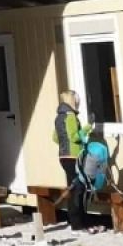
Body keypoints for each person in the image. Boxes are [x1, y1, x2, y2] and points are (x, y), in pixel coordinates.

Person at [53, 89, 89, 230]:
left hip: (63, 156)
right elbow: (74, 136)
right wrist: (86, 128)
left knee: (72, 188)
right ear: (72, 101)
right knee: (78, 189)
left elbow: (55, 137)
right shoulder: (70, 116)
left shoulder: (59, 117)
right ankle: (77, 225)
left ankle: (74, 221)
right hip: (74, 156)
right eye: (77, 100)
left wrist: (64, 145)